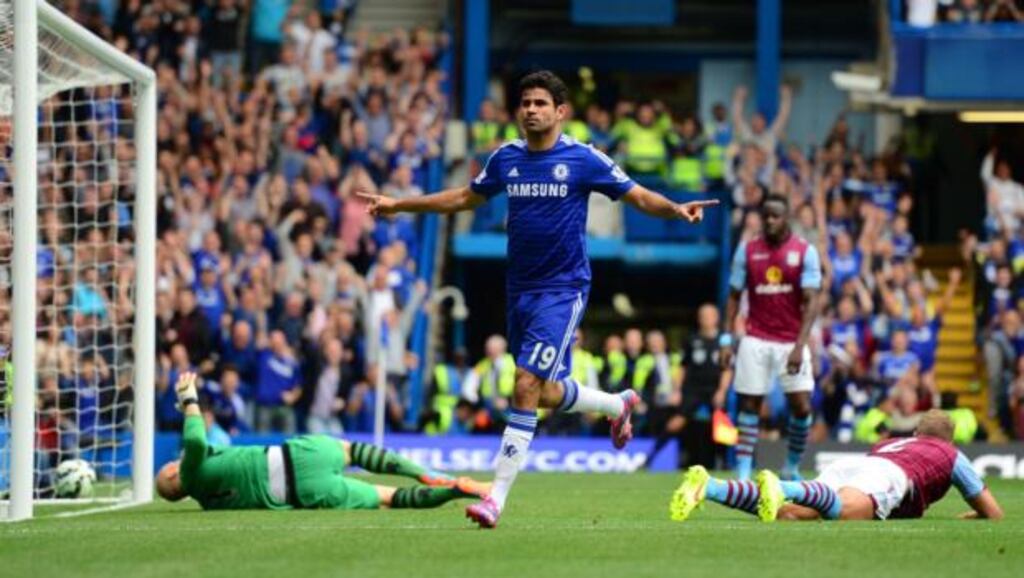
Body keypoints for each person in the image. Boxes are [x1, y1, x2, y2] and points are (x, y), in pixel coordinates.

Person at [357, 70, 717, 528]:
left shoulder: (584, 159)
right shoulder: (506, 158)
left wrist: (675, 208)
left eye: (540, 103)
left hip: (563, 290)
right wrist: (399, 204)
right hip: (520, 290)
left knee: (524, 385)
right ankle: (616, 404)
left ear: (560, 111)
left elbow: (637, 195)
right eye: (525, 103)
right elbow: (464, 198)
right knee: (542, 391)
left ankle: (496, 498)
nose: (531, 109)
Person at [157, 373, 489, 511]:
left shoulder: (207, 501)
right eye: (171, 465)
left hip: (303, 494)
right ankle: (423, 471)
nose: (177, 462)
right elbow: (197, 443)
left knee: (389, 498)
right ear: (175, 476)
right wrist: (189, 401)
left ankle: (456, 489)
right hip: (294, 458)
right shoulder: (192, 470)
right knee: (353, 450)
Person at [670, 410, 1003, 523]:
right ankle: (782, 486)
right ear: (950, 439)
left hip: (860, 465)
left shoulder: (893, 442)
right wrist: (977, 514)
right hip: (888, 477)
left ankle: (709, 486)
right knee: (841, 511)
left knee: (787, 514)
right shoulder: (950, 454)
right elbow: (993, 512)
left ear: (917, 432)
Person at [722, 193, 824, 481]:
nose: (769, 221)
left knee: (802, 406)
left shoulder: (805, 252)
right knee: (749, 404)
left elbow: (812, 301)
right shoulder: (748, 250)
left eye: (775, 216)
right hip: (756, 338)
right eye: (765, 215)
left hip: (791, 340)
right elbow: (732, 296)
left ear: (787, 217)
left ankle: (791, 466)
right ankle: (743, 472)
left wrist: (800, 346)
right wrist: (726, 340)